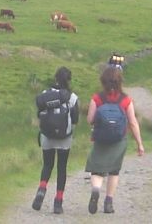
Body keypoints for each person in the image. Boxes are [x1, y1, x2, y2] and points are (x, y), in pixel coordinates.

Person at [84, 65, 145, 214]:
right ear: (120, 81)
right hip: (119, 140)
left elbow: (90, 119)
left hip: (100, 139)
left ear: (103, 81)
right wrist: (139, 144)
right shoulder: (126, 100)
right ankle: (108, 203)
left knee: (96, 169)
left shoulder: (97, 98)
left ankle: (96, 189)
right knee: (114, 170)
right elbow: (132, 123)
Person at [32, 66, 79, 214]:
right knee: (61, 168)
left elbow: (39, 113)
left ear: (55, 78)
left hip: (47, 135)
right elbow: (76, 119)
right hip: (64, 137)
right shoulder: (72, 97)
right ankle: (58, 202)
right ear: (69, 80)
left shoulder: (45, 94)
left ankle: (42, 188)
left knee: (47, 165)